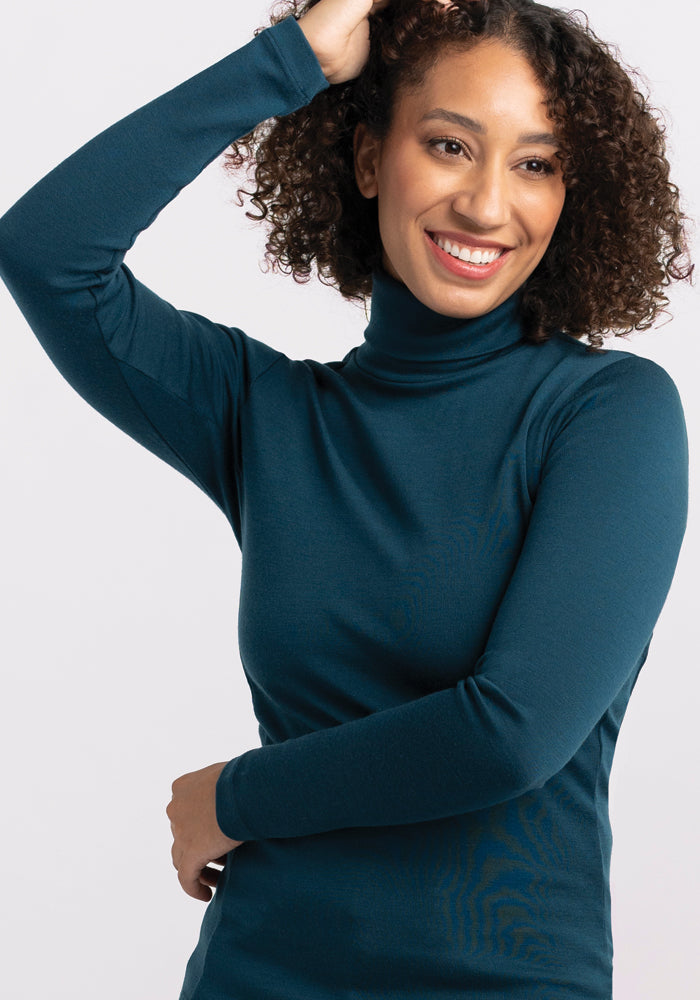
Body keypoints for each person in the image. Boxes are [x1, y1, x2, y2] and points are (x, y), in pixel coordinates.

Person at [0, 0, 692, 996]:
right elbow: (46, 254)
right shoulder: (265, 414)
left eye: (535, 163)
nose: (488, 204)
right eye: (450, 145)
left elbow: (510, 731)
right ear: (371, 160)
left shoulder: (608, 413)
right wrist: (292, 59)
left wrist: (231, 798)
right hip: (259, 969)